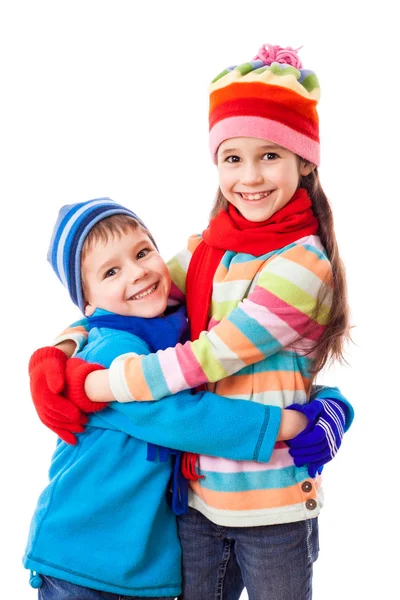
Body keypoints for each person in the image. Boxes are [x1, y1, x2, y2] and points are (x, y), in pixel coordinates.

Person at [28, 43, 354, 599]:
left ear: (305, 160)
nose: (249, 176)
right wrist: (59, 349)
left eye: (270, 155)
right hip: (195, 505)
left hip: (268, 499)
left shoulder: (302, 265)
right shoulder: (212, 250)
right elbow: (134, 299)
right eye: (232, 157)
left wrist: (97, 383)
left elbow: (212, 357)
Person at [24, 197, 316, 600]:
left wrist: (329, 400)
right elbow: (179, 418)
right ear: (87, 304)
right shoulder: (110, 351)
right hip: (83, 559)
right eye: (111, 271)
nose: (138, 272)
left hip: (137, 566)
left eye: (143, 252)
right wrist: (280, 424)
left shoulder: (170, 332)